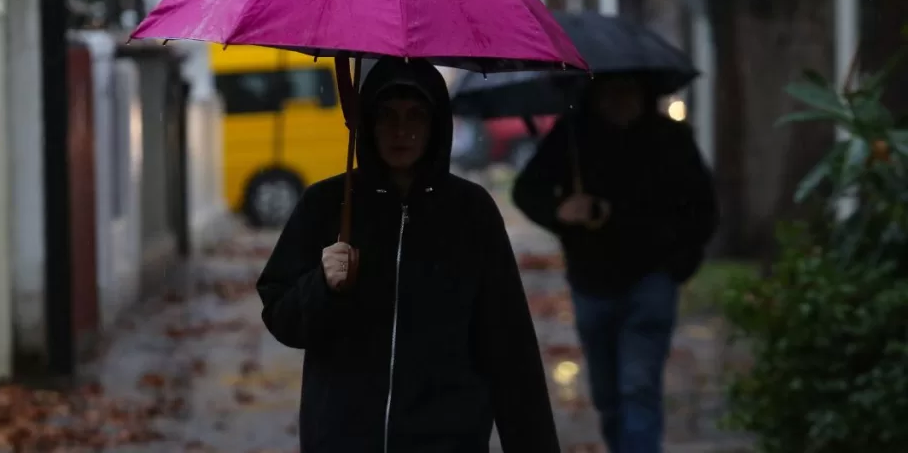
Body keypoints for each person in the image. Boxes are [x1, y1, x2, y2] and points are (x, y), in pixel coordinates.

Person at [257, 57, 560, 453]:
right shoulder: (327, 204)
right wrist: (322, 286)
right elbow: (282, 318)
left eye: (416, 116)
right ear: (368, 122)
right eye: (387, 116)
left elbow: (509, 347)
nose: (401, 130)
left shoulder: (471, 211)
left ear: (436, 126)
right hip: (343, 438)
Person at [512, 75, 719, 453]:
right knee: (607, 393)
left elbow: (703, 211)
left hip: (651, 281)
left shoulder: (670, 140)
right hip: (592, 282)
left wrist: (677, 263)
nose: (619, 100)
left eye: (629, 90)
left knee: (638, 386)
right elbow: (527, 190)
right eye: (611, 92)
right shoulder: (574, 137)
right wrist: (560, 211)